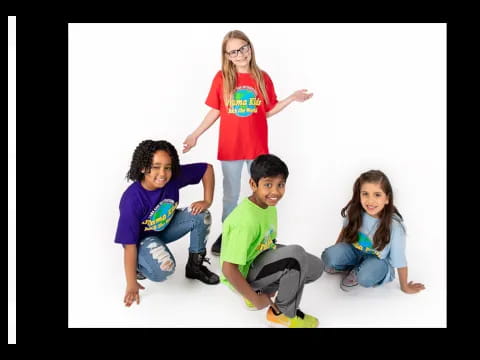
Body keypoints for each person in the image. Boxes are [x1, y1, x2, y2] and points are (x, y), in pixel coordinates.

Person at [182, 30, 313, 256]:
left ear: (250, 47)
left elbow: (268, 110)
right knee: (231, 195)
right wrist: (195, 134)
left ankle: (263, 236)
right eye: (233, 51)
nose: (240, 54)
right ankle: (229, 235)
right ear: (227, 56)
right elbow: (215, 111)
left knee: (263, 192)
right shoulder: (222, 78)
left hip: (257, 148)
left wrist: (291, 98)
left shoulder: (262, 77)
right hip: (231, 148)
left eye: (243, 48)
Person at [220, 154, 324, 328]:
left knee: (315, 267)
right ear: (253, 185)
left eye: (280, 185)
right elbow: (228, 269)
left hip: (259, 258)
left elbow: (268, 243)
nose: (275, 192)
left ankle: (262, 290)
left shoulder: (267, 206)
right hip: (242, 273)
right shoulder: (244, 221)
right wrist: (254, 298)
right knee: (296, 256)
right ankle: (281, 313)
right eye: (268, 185)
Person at [114, 140, 220, 307]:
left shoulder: (171, 179)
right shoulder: (132, 200)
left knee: (201, 216)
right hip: (141, 240)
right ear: (142, 167)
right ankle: (139, 266)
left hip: (164, 229)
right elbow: (129, 245)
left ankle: (195, 268)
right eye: (155, 167)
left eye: (167, 167)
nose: (162, 173)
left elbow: (207, 169)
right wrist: (131, 282)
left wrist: (207, 200)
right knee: (164, 269)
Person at [321, 170, 426, 294]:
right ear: (359, 195)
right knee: (328, 256)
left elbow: (399, 259)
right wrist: (336, 251)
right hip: (355, 251)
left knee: (365, 277)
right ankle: (351, 266)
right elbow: (344, 231)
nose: (370, 201)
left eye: (377, 195)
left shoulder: (395, 227)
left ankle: (359, 271)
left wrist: (405, 286)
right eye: (365, 194)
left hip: (378, 260)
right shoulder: (355, 211)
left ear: (387, 198)